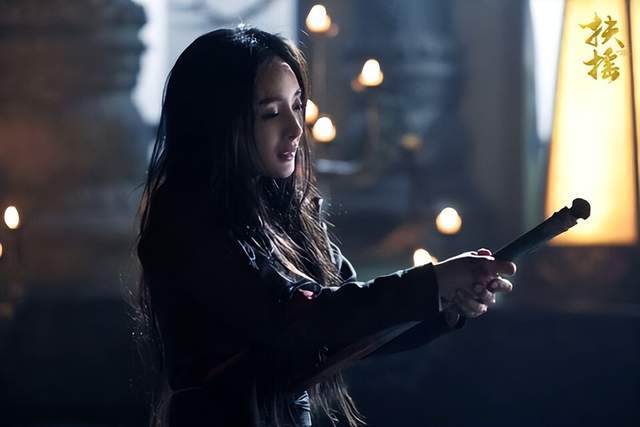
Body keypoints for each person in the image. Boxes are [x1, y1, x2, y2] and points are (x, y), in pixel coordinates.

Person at [135, 26, 516, 427]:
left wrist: (447, 302)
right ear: (217, 123)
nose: (295, 128)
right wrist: (433, 283)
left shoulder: (283, 209)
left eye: (297, 105)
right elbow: (302, 319)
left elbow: (353, 323)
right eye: (270, 113)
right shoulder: (187, 218)